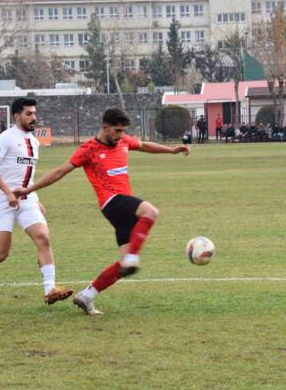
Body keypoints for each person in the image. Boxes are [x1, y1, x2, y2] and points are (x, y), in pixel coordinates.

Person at [14, 108, 190, 316]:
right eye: (117, 131)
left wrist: (171, 150)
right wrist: (29, 190)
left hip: (124, 206)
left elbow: (143, 145)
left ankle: (87, 295)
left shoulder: (123, 141)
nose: (120, 135)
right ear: (105, 127)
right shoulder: (88, 149)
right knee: (150, 212)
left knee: (123, 264)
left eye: (123, 131)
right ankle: (132, 258)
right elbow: (59, 172)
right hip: (111, 202)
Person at [0, 98, 73, 305]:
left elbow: (27, 176)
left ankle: (50, 289)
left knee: (43, 238)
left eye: (34, 113)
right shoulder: (6, 138)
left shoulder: (34, 141)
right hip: (4, 201)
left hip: (27, 199)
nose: (34, 117)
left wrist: (35, 198)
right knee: (0, 253)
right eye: (29, 114)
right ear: (16, 116)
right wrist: (8, 193)